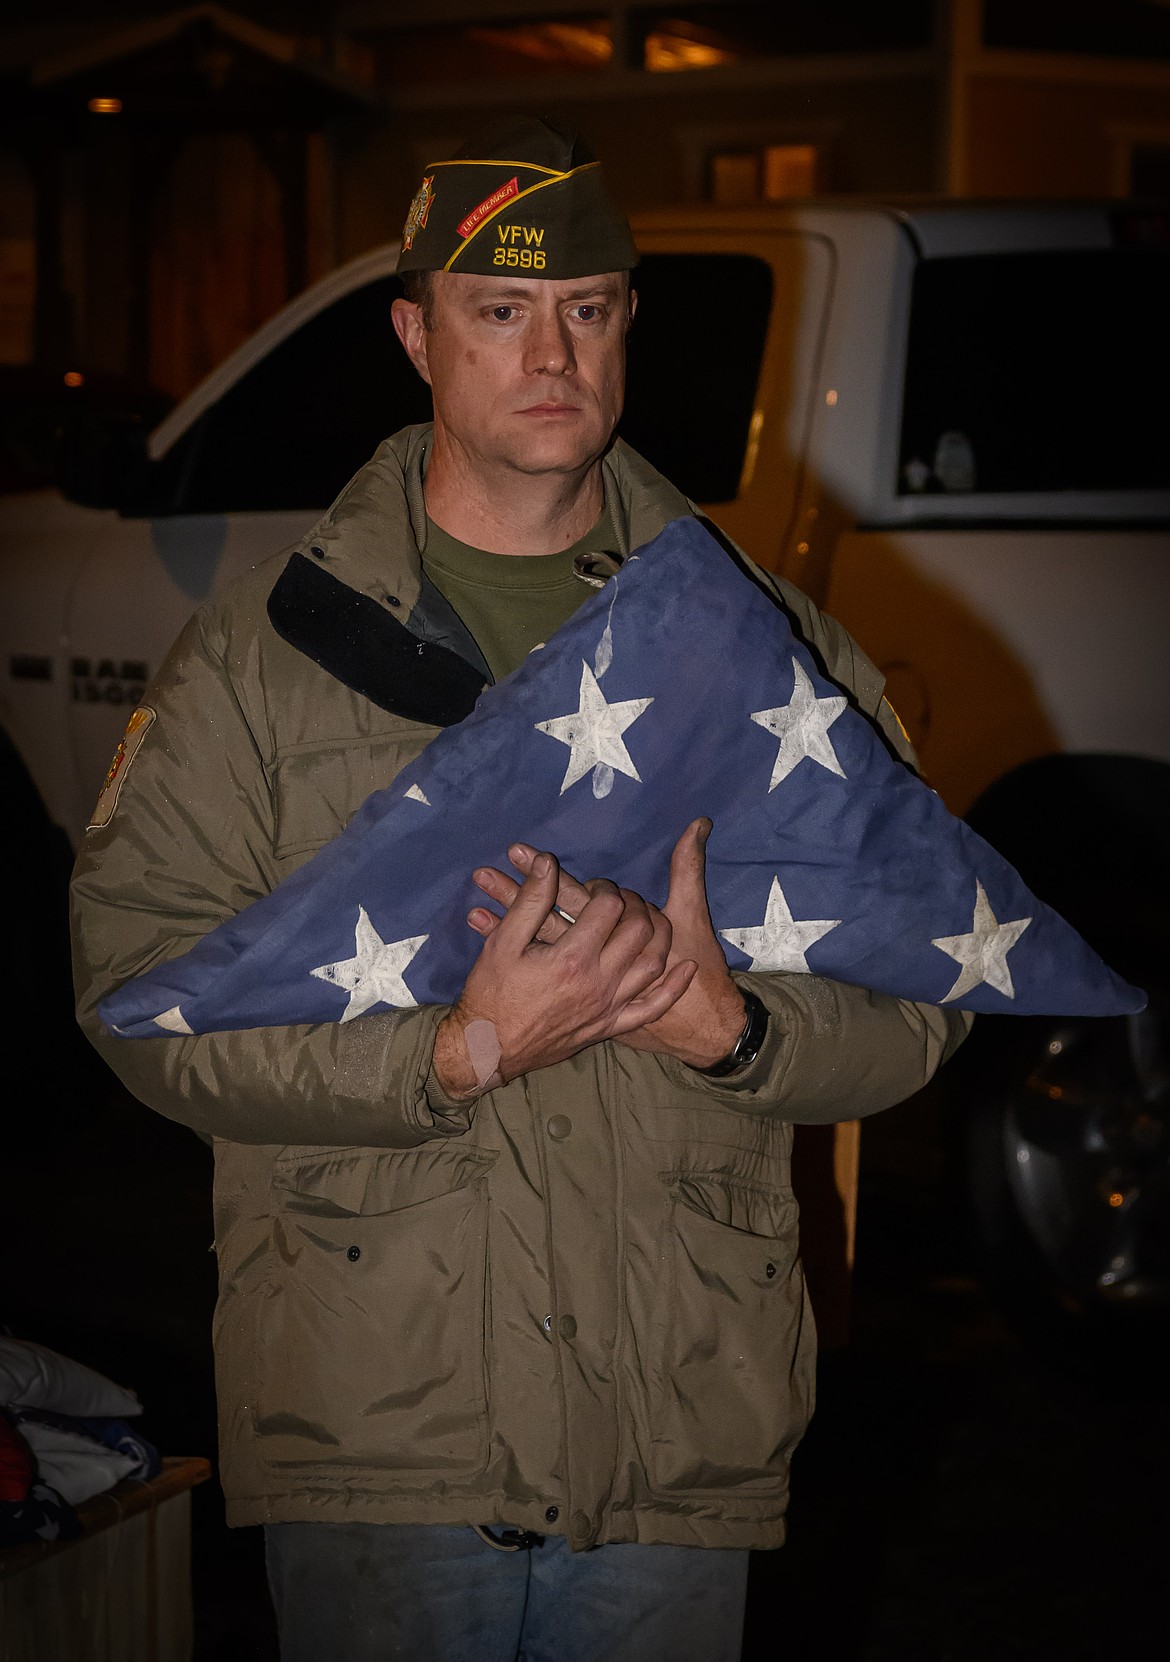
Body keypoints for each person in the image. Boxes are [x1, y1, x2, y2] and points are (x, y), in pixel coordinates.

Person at [71, 118, 969, 1662]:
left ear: (626, 326)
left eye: (590, 307)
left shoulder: (763, 646)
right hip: (379, 1409)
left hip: (675, 1418)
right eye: (501, 309)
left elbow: (929, 984)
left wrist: (735, 1031)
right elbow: (139, 997)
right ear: (418, 334)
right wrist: (448, 1055)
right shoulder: (265, 655)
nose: (552, 350)